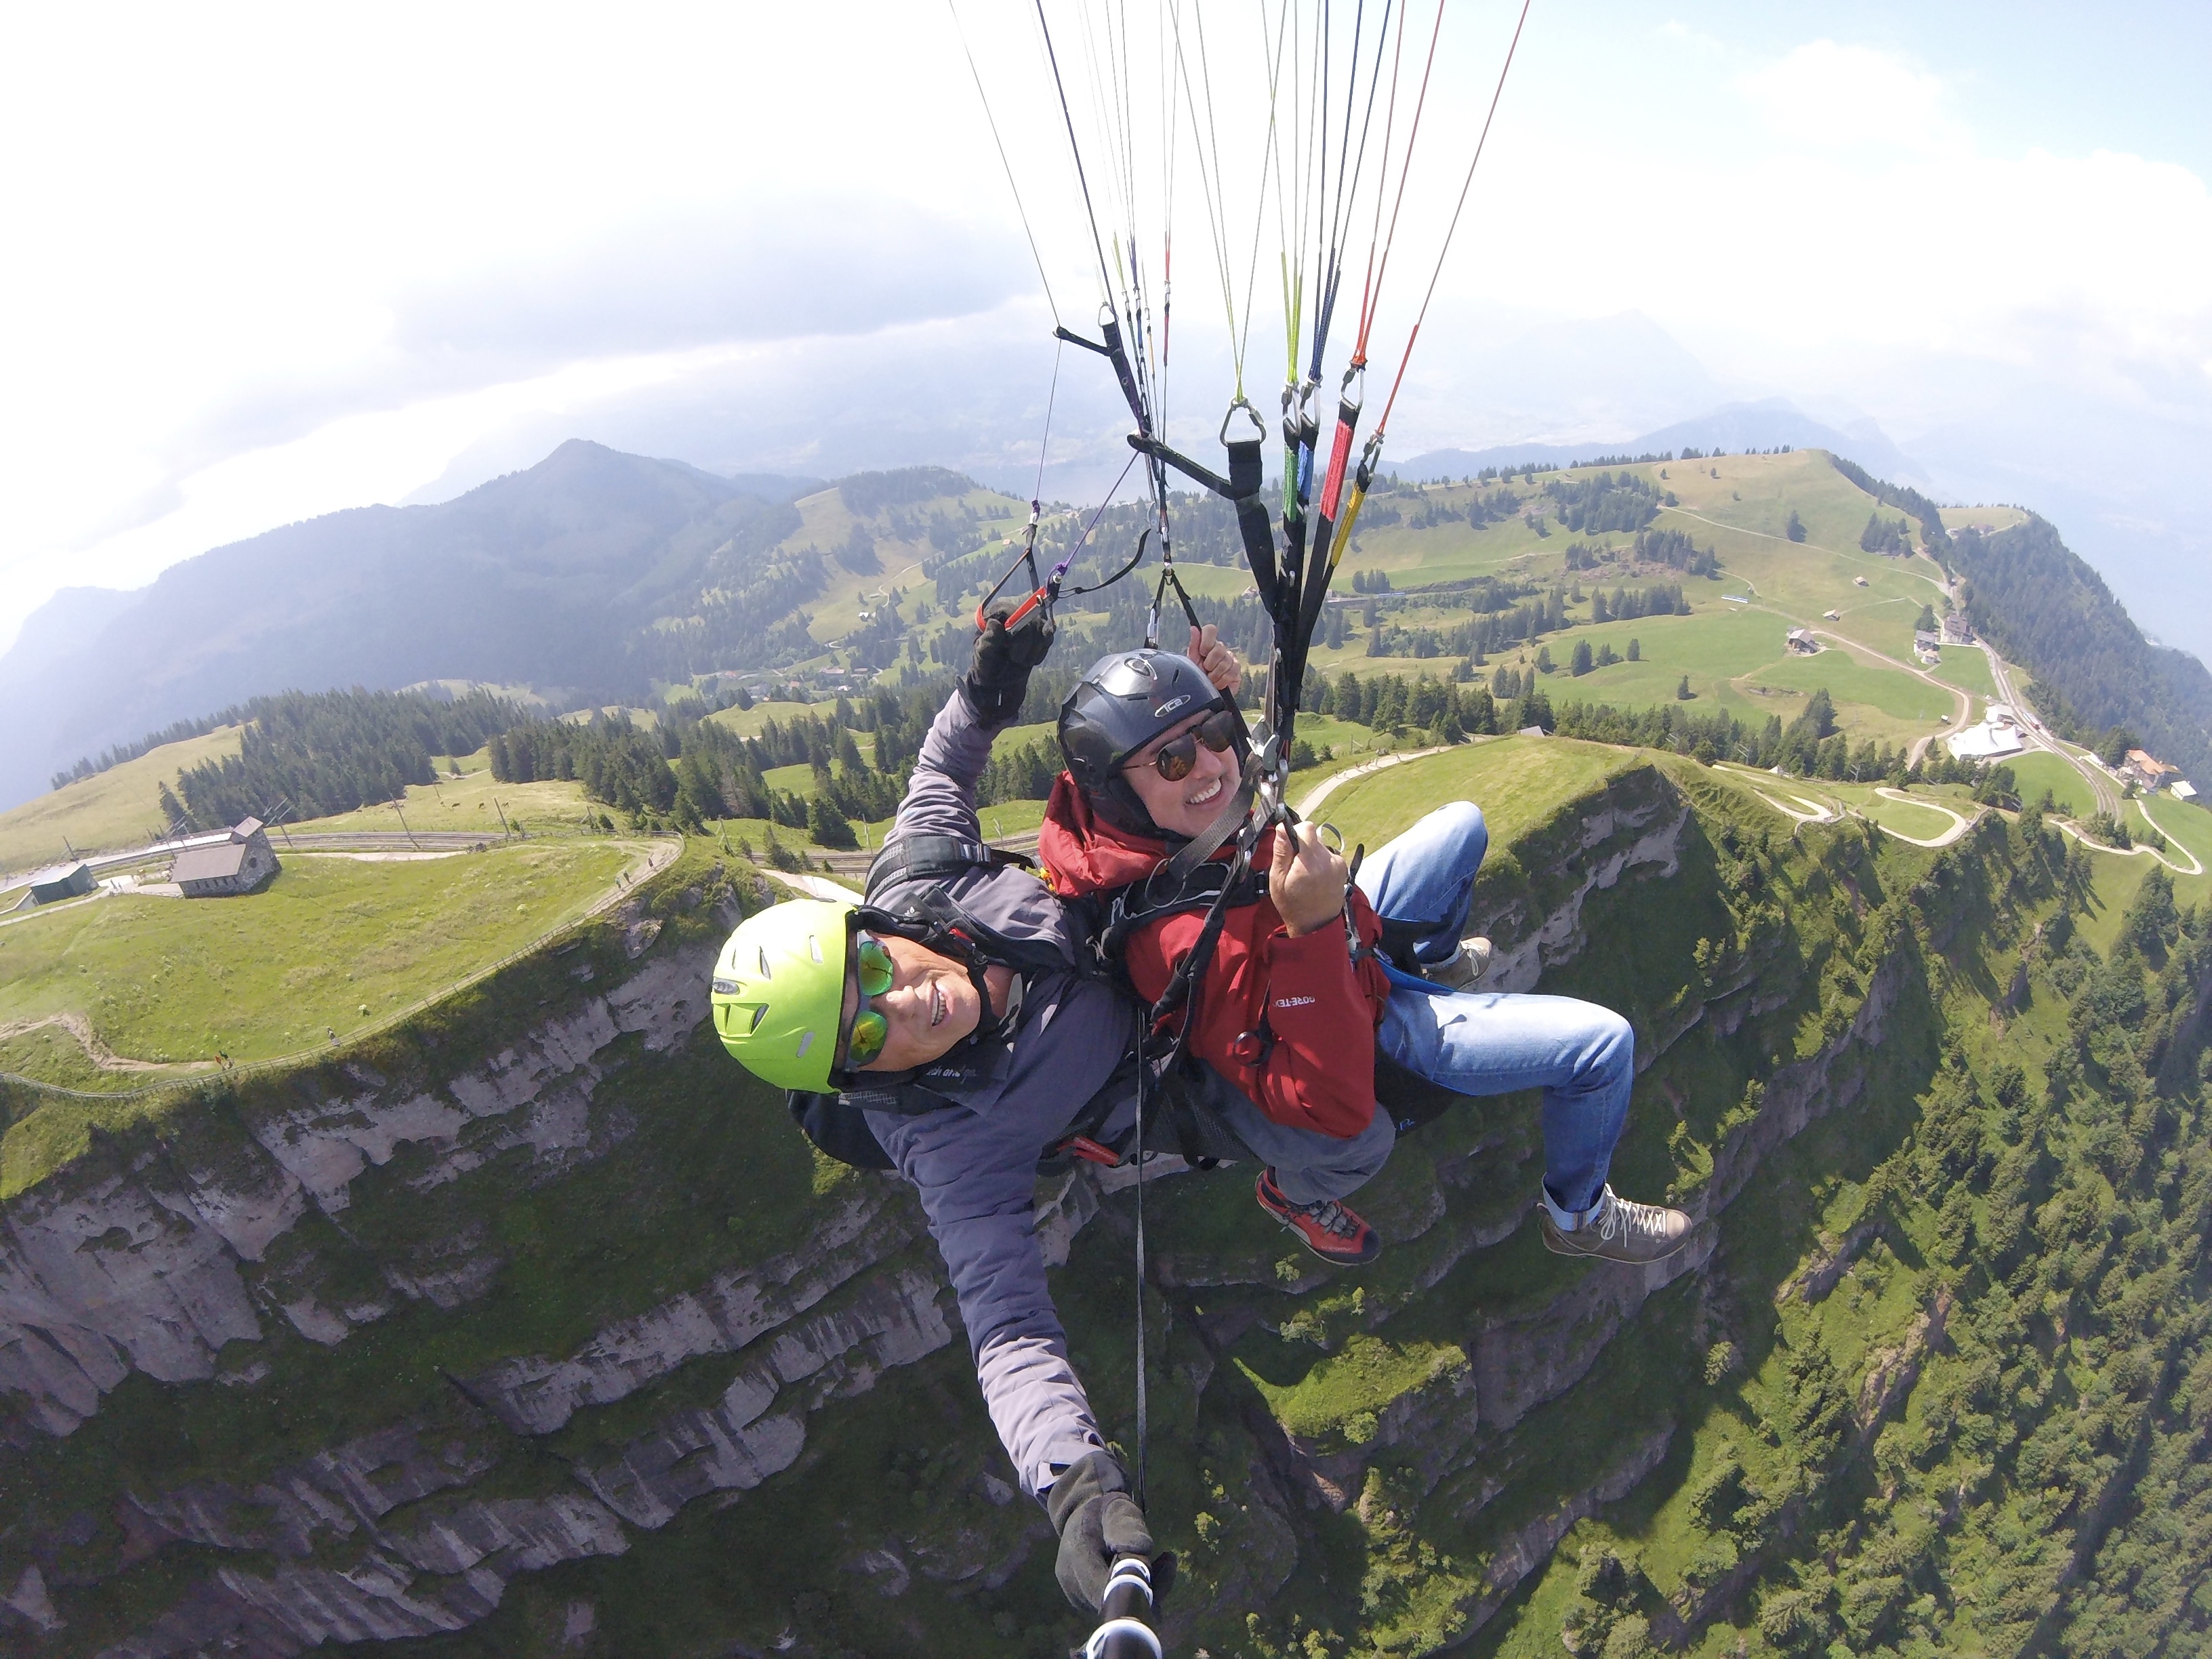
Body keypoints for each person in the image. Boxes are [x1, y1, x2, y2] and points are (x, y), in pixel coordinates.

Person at [708, 609, 1316, 1618]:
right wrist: (1075, 1489)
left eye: (872, 971)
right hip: (1169, 1078)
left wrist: (992, 682)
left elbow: (941, 769)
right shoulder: (947, 1141)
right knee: (1343, 1137)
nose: (903, 1003)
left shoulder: (917, 876)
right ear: (860, 1085)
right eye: (866, 1038)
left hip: (1138, 932)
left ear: (872, 928)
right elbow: (1007, 1333)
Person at [1041, 644, 1694, 1267]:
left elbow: (1184, 752)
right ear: (1115, 794)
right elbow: (1330, 1108)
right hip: (1353, 1011)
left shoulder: (1149, 826)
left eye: (1213, 733)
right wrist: (1317, 927)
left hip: (1338, 943)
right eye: (1174, 760)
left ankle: (1430, 964)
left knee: (1463, 823)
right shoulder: (1183, 943)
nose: (1212, 765)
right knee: (1602, 1047)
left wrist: (1211, 693)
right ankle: (1578, 1219)